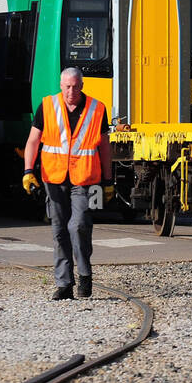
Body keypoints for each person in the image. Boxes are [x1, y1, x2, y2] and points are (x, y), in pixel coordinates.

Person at [22, 68, 114, 300]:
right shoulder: (47, 106)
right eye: (67, 87)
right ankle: (64, 284)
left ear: (82, 85)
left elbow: (104, 146)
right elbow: (33, 141)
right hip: (53, 178)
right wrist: (28, 171)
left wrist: (108, 180)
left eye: (75, 86)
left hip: (84, 178)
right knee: (59, 230)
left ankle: (84, 275)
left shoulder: (97, 108)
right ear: (61, 85)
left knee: (79, 225)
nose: (71, 91)